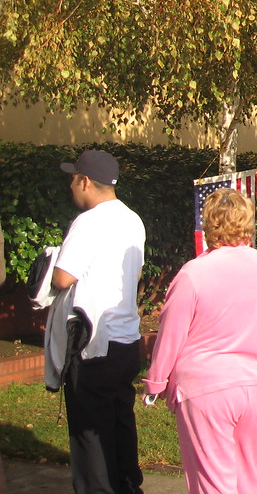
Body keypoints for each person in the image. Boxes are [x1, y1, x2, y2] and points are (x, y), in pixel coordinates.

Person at [143, 188, 257, 494]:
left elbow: (171, 333)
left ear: (209, 224)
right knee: (247, 476)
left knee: (213, 482)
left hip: (207, 386)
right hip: (253, 381)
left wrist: (156, 382)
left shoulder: (194, 273)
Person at [47, 149, 145, 494]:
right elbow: (136, 275)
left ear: (85, 181)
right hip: (126, 337)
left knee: (90, 432)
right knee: (120, 420)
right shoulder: (133, 220)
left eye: (73, 179)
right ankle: (128, 485)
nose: (71, 186)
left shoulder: (88, 222)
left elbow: (62, 278)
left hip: (92, 342)